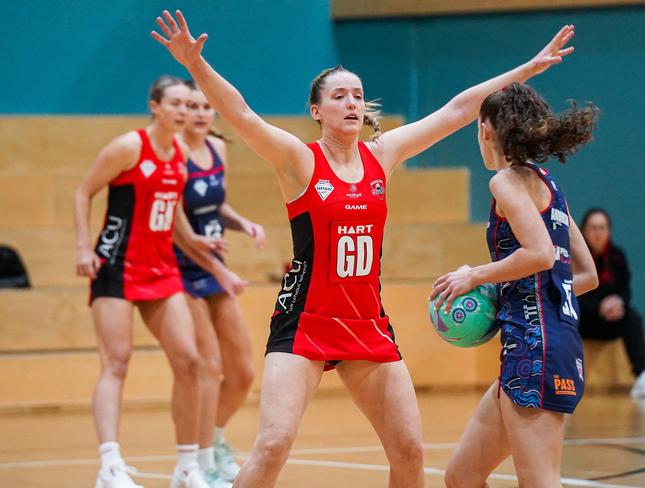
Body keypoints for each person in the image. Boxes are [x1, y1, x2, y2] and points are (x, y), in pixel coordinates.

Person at [152, 10, 576, 487]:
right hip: (306, 321)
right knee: (272, 447)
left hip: (365, 322)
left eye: (357, 95)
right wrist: (196, 65)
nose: (351, 102)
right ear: (317, 111)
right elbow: (241, 113)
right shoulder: (298, 160)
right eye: (338, 96)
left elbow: (458, 110)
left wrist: (526, 69)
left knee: (410, 452)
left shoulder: (383, 154)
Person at [74, 75, 245, 488]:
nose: (185, 112)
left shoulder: (181, 154)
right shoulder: (129, 147)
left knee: (189, 362)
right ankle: (109, 465)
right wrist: (84, 248)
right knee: (116, 362)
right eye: (177, 104)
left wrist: (198, 246)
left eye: (189, 105)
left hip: (161, 268)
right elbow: (83, 192)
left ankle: (187, 467)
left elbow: (172, 219)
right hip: (116, 264)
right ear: (156, 106)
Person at [431, 83, 599, 487]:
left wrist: (475, 276)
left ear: (487, 130)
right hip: (535, 344)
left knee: (538, 481)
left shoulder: (505, 182)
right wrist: (524, 296)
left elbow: (540, 253)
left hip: (536, 350)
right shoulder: (548, 184)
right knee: (462, 476)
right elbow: (587, 274)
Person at [176, 80, 266, 483]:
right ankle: (200, 459)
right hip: (181, 266)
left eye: (205, 107)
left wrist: (242, 222)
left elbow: (216, 202)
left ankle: (212, 438)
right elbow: (178, 223)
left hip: (214, 265)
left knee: (243, 371)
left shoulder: (217, 148)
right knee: (208, 367)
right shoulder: (173, 154)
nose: (199, 113)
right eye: (191, 106)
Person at [578, 208, 645, 398]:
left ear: (608, 231)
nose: (598, 233)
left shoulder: (617, 256)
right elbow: (570, 295)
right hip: (582, 321)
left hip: (609, 322)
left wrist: (618, 302)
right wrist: (598, 307)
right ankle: (566, 378)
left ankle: (643, 376)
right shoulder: (574, 257)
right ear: (584, 231)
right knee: (564, 319)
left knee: (632, 317)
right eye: (593, 228)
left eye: (602, 228)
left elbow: (625, 289)